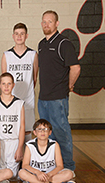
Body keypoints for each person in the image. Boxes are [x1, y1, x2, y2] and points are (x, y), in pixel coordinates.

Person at [38, 10, 81, 171]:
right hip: (43, 98)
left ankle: (68, 167)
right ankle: (54, 166)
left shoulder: (64, 43)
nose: (46, 24)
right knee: (47, 135)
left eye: (49, 21)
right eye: (43, 21)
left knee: (61, 134)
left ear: (56, 23)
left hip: (58, 98)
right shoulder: (42, 44)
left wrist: (69, 86)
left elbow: (75, 68)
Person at [1, 22, 38, 143]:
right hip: (11, 98)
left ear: (26, 36)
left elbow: (35, 78)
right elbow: (4, 79)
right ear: (13, 36)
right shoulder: (7, 55)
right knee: (13, 128)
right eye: (17, 34)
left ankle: (26, 158)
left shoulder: (32, 54)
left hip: (28, 97)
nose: (19, 36)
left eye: (22, 34)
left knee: (27, 130)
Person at [18, 119, 77, 183]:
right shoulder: (30, 145)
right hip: (36, 175)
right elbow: (25, 165)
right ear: (34, 132)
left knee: (69, 173)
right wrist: (38, 172)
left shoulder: (55, 144)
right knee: (21, 173)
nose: (42, 132)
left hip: (51, 175)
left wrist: (49, 175)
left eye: (45, 129)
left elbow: (60, 166)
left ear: (50, 132)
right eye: (39, 129)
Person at [0, 73, 25, 178]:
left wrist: (20, 147)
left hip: (13, 142)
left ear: (13, 85)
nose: (6, 86)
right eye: (4, 84)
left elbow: (22, 127)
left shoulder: (19, 103)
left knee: (12, 175)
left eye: (9, 84)